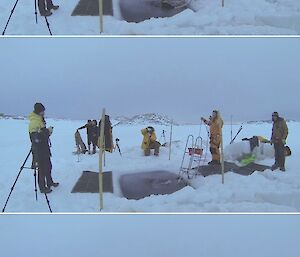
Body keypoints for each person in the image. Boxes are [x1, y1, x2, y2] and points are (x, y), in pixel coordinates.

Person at [28, 103, 59, 194]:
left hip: (44, 148)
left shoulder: (40, 120)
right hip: (38, 149)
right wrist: (47, 131)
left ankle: (49, 182)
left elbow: (42, 135)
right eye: (42, 111)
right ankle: (42, 187)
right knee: (41, 169)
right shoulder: (34, 122)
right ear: (38, 111)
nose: (44, 113)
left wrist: (47, 132)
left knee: (48, 166)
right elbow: (36, 138)